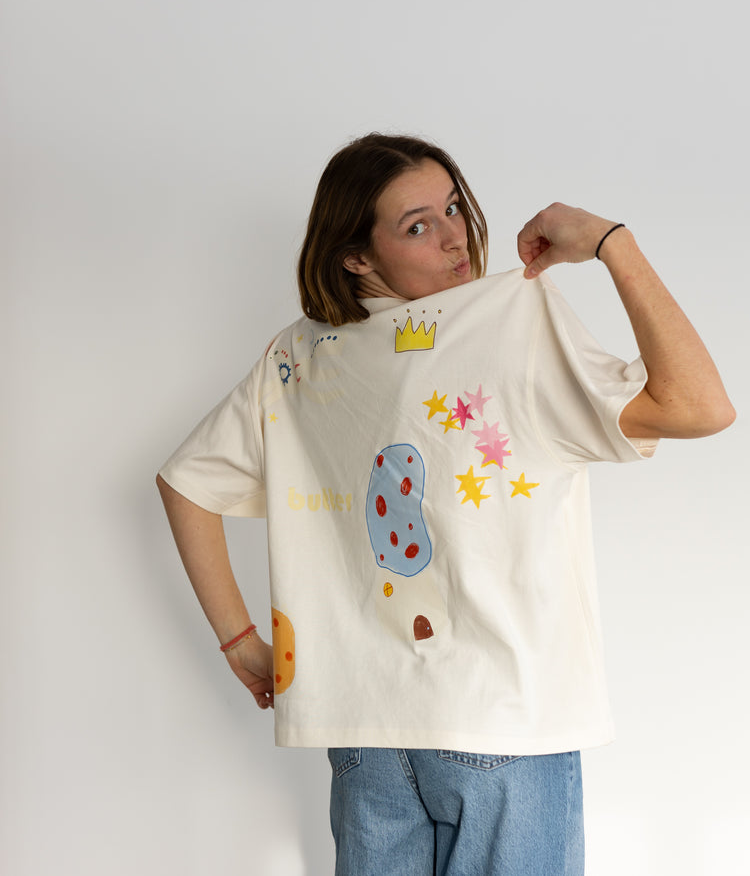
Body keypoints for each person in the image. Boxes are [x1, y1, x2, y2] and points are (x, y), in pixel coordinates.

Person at [156, 133, 734, 875]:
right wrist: (609, 243)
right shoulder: (509, 320)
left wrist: (241, 643)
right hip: (500, 723)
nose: (455, 236)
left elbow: (186, 482)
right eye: (417, 225)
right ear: (356, 257)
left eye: (453, 207)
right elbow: (700, 407)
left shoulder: (299, 357)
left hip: (363, 733)